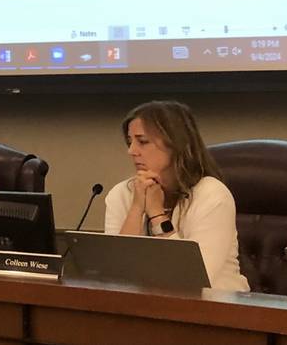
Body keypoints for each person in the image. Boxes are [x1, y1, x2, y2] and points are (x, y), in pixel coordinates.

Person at [105, 100, 249, 291]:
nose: (131, 151)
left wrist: (156, 214)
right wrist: (137, 208)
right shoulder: (122, 193)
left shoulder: (212, 195)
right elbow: (116, 273)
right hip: (147, 304)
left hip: (217, 306)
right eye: (129, 142)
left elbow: (191, 278)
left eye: (142, 141)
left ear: (175, 143)